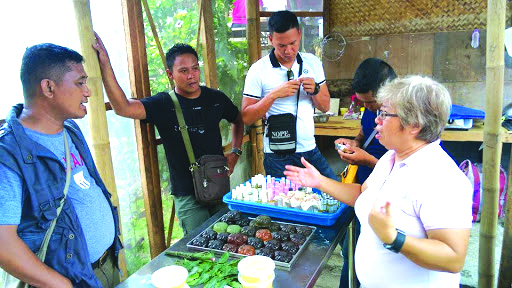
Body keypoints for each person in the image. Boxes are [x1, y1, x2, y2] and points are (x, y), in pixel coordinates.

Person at [285, 76, 473, 287]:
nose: (376, 120)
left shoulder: (441, 177)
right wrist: (319, 181)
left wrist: (394, 238)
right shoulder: (391, 157)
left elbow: (453, 258)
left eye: (384, 114)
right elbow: (362, 194)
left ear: (414, 125)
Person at [93, 34, 244, 235]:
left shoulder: (215, 98)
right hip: (187, 195)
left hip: (218, 186)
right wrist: (105, 65)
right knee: (198, 249)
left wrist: (235, 151)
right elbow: (123, 108)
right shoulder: (163, 104)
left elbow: (238, 119)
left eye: (195, 68)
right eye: (183, 71)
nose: (191, 75)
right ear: (170, 74)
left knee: (230, 239)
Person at [0, 44, 122, 287]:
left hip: (104, 266)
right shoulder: (8, 154)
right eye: (80, 82)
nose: (88, 92)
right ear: (48, 87)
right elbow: (3, 243)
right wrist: (60, 284)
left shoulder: (70, 130)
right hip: (69, 280)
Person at [241, 10, 337, 180]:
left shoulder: (312, 62)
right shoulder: (258, 70)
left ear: (299, 34)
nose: (288, 50)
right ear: (270, 40)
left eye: (293, 43)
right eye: (281, 45)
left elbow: (325, 106)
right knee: (285, 204)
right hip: (278, 155)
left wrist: (315, 89)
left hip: (310, 150)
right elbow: (247, 117)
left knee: (334, 195)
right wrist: (273, 95)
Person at [335, 58, 396, 288]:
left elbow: (396, 167)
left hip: (383, 197)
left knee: (370, 251)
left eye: (371, 102)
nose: (371, 110)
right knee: (353, 250)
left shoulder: (399, 115)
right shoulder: (373, 110)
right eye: (363, 103)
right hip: (362, 189)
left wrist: (368, 160)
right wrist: (354, 143)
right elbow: (364, 132)